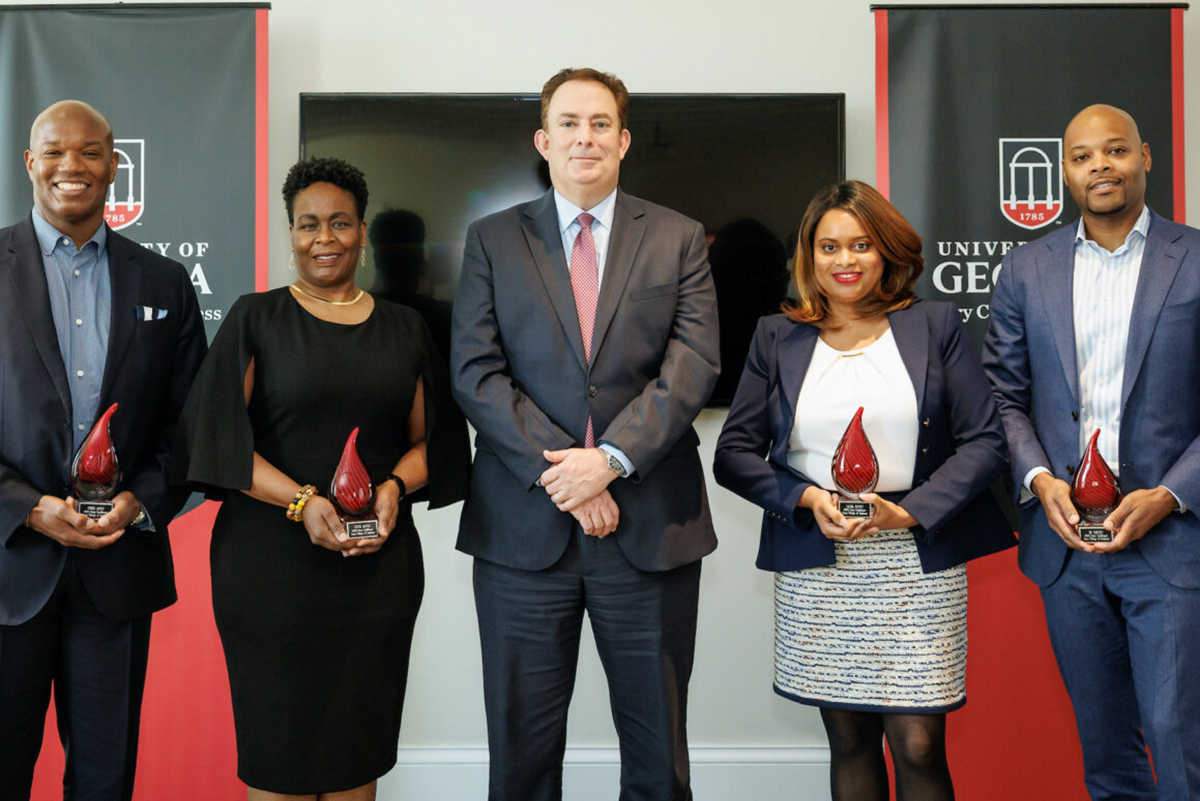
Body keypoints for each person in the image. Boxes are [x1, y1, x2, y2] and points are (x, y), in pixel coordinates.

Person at [451, 67, 720, 801]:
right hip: (522, 539)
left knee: (658, 755)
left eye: (600, 123)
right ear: (543, 140)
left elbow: (693, 366)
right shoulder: (491, 241)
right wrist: (566, 478)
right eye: (568, 123)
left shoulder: (678, 237)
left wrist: (608, 461)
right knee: (521, 759)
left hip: (649, 530)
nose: (585, 137)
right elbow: (476, 373)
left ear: (624, 140)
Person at [172, 157, 469, 801]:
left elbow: (430, 444)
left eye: (340, 223)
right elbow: (220, 441)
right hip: (270, 576)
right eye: (308, 224)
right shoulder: (256, 319)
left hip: (376, 571)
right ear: (291, 234)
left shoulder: (405, 327)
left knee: (354, 753)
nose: (324, 237)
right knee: (280, 752)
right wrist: (303, 501)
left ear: (362, 233)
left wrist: (392, 491)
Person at [714, 180, 1013, 801]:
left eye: (860, 245)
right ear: (809, 255)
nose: (844, 261)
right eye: (828, 247)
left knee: (919, 744)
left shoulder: (933, 324)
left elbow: (986, 440)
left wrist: (907, 512)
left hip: (916, 561)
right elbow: (733, 455)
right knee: (849, 740)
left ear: (886, 254)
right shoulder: (776, 335)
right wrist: (808, 500)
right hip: (821, 564)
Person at [982, 104, 1200, 800]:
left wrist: (1170, 493)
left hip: (1171, 548)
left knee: (1177, 738)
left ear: (1145, 158)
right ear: (1065, 172)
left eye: (1114, 151)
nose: (1100, 166)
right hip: (1068, 549)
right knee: (1105, 751)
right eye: (1082, 156)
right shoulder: (1025, 270)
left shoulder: (1194, 259)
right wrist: (1039, 477)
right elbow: (1002, 397)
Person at [0, 99, 207, 801]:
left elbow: (190, 426)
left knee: (104, 778)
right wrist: (27, 509)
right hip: (8, 573)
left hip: (117, 574)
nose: (72, 166)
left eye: (90, 152)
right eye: (54, 151)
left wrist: (140, 502)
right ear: (30, 164)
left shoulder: (164, 284)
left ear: (114, 166)